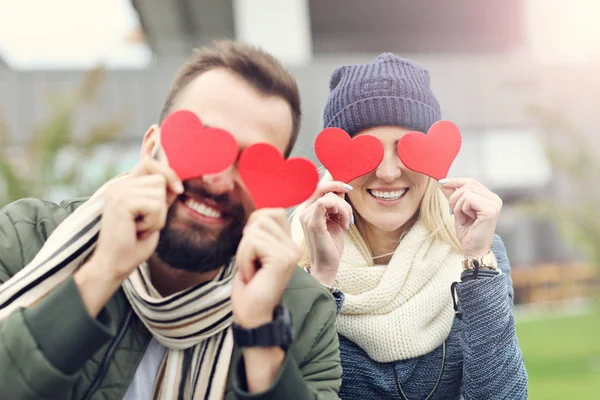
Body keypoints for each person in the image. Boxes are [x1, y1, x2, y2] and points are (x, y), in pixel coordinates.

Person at [0, 41, 342, 400]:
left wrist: (262, 335)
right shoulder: (25, 240)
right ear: (150, 148)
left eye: (252, 163)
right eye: (203, 143)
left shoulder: (304, 314)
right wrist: (101, 272)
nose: (218, 179)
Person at [291, 53, 528, 399]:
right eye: (367, 151)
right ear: (337, 162)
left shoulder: (477, 251)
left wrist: (477, 263)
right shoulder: (287, 256)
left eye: (406, 150)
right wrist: (321, 277)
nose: (388, 172)